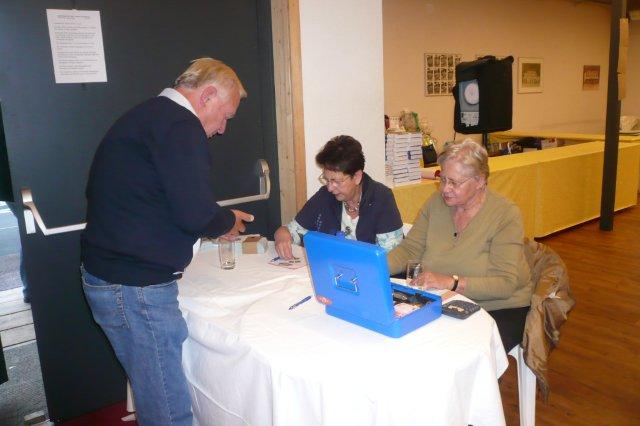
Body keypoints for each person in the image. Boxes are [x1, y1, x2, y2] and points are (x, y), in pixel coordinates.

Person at [81, 57, 253, 426]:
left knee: (154, 394)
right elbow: (195, 213)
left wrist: (215, 220)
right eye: (225, 116)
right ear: (207, 96)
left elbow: (162, 199)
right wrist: (226, 221)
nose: (223, 129)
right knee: (167, 408)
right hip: (135, 287)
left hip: (113, 276)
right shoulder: (180, 126)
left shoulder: (148, 116)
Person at [387, 139, 533, 352]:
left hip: (497, 308)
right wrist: (374, 268)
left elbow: (505, 284)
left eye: (455, 183)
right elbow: (409, 249)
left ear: (480, 180)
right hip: (443, 299)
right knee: (401, 339)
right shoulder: (436, 203)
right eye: (443, 179)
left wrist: (450, 282)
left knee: (451, 354)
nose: (445, 189)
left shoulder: (505, 215)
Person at [274, 135, 404, 259]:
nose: (330, 188)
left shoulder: (381, 198)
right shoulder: (325, 196)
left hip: (370, 272)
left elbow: (391, 257)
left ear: (357, 177)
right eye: (327, 180)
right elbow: (292, 231)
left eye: (336, 181)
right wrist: (282, 235)